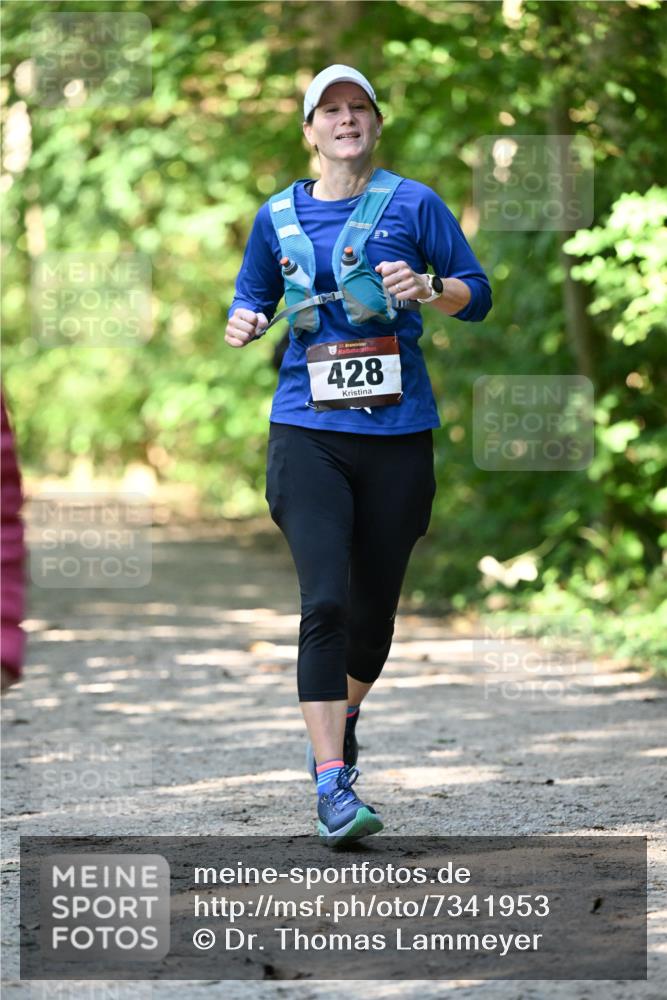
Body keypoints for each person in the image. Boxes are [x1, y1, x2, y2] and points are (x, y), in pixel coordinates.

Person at [225, 65, 491, 846]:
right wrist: (243, 319)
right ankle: (330, 784)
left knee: (372, 615)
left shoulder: (414, 203)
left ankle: (343, 723)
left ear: (375, 124)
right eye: (330, 111)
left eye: (358, 109)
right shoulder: (276, 216)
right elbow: (252, 295)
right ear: (309, 130)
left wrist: (428, 284)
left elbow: (475, 296)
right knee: (326, 603)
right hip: (306, 433)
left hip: (397, 435)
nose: (346, 120)